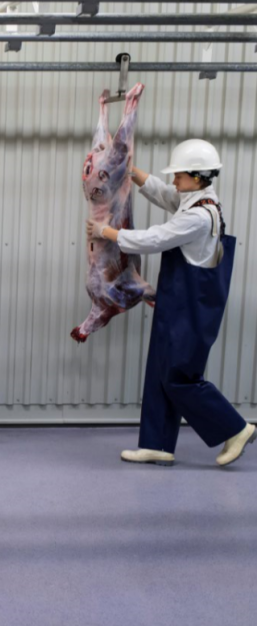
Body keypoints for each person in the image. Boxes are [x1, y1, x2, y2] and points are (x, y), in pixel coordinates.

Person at [86, 139, 256, 467]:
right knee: (160, 371)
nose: (174, 179)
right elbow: (166, 193)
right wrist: (132, 173)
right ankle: (157, 444)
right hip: (177, 303)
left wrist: (108, 232)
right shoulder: (196, 199)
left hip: (191, 309)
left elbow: (157, 238)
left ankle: (236, 429)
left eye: (179, 174)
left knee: (180, 376)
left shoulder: (199, 216)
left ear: (197, 175)